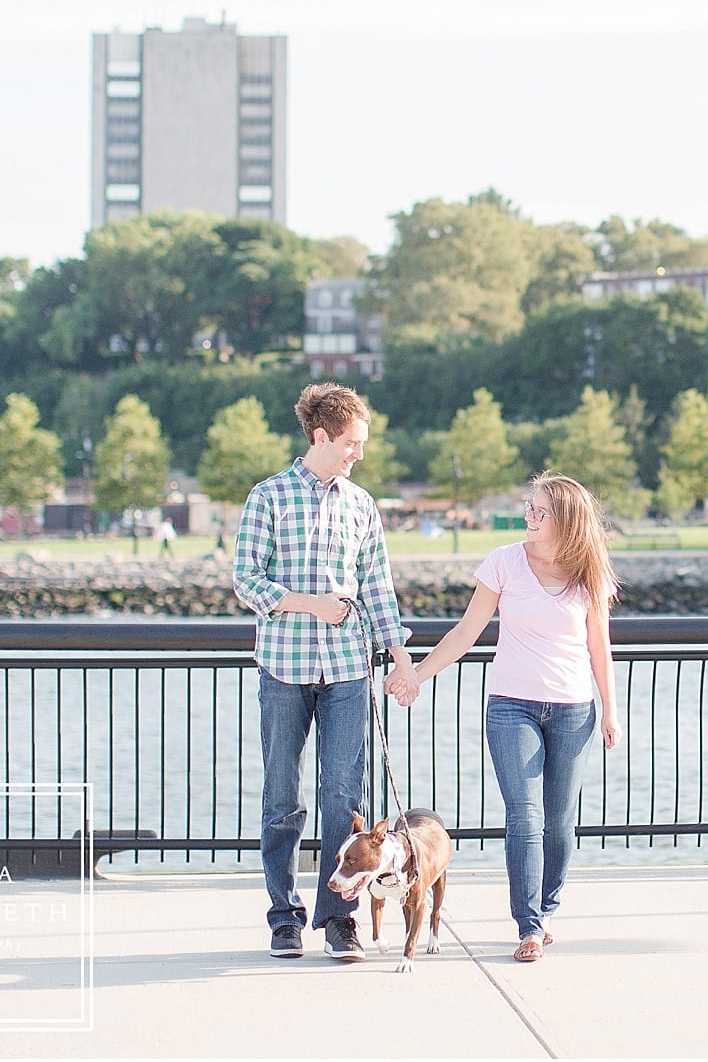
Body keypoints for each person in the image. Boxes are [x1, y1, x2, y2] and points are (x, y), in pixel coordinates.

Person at [396, 471, 622, 964]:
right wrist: (417, 674)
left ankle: (547, 906)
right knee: (525, 814)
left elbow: (598, 645)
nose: (529, 517)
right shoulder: (504, 562)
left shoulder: (589, 573)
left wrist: (610, 709)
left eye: (540, 511)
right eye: (529, 507)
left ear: (564, 520)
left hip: (574, 709)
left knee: (560, 822)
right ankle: (529, 925)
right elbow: (465, 632)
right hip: (511, 706)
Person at [233, 383, 416, 963]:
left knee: (344, 797)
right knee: (281, 799)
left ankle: (340, 920)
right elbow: (246, 580)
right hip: (283, 669)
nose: (358, 453)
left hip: (346, 671)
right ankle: (284, 919)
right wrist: (311, 603)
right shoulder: (268, 497)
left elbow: (378, 587)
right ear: (321, 436)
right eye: (351, 443)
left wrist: (401, 654)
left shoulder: (362, 505)